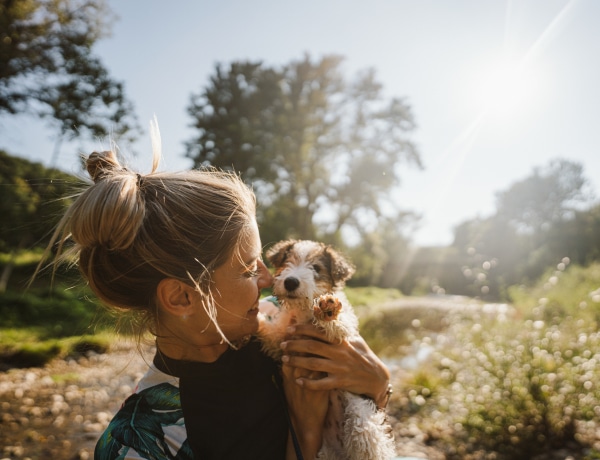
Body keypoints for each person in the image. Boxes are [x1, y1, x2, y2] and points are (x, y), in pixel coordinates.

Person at [44, 144, 392, 459]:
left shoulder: (276, 324)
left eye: (260, 263)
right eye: (245, 269)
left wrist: (377, 385)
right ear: (181, 297)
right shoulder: (138, 443)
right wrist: (305, 430)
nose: (268, 279)